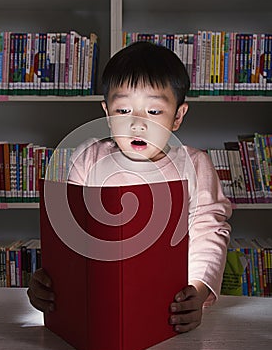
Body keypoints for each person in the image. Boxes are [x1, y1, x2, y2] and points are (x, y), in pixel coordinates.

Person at [27, 41, 232, 333]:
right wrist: (50, 282)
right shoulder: (88, 156)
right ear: (107, 114)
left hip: (168, 307)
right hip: (97, 307)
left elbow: (207, 231)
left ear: (177, 116)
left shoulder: (194, 164)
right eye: (123, 110)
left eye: (154, 111)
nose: (137, 123)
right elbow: (67, 234)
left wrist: (197, 292)